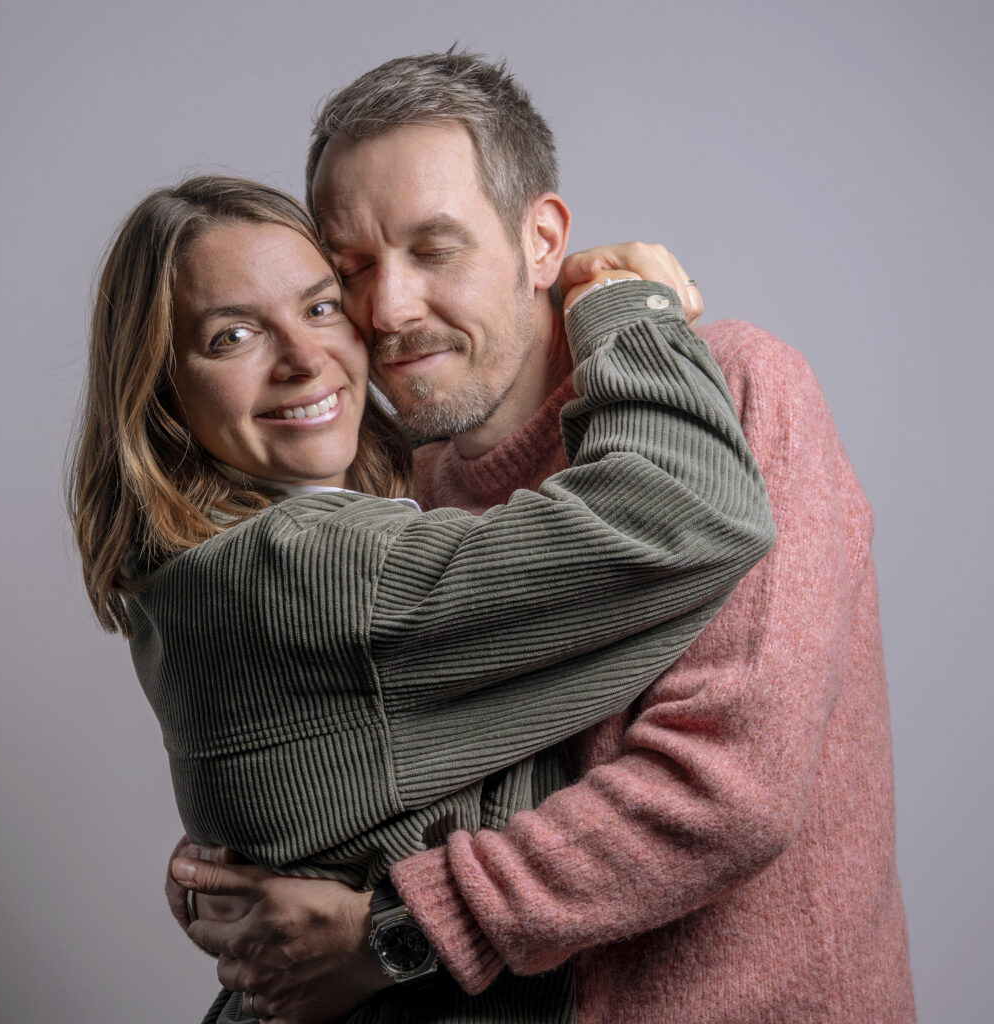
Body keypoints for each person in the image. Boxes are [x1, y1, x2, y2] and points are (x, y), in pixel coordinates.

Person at [166, 51, 916, 1024]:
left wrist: (390, 935)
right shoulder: (413, 485)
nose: (387, 307)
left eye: (433, 248)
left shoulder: (734, 389)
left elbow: (726, 788)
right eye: (351, 270)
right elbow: (391, 776)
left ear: (541, 238)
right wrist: (247, 879)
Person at [69, 174, 774, 1024]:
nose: (304, 358)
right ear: (161, 395)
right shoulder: (305, 572)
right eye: (234, 335)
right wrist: (627, 309)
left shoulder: (189, 575)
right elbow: (688, 509)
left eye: (323, 307)